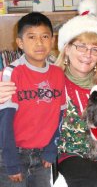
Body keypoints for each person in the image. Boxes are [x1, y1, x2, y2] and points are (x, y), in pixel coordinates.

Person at [0, 0, 97, 187]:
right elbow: (22, 105)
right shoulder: (52, 81)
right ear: (67, 48)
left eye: (94, 49)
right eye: (81, 46)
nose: (87, 54)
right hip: (74, 154)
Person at [0, 12, 66, 187]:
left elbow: (60, 115)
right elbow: (5, 120)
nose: (39, 43)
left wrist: (52, 149)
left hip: (42, 156)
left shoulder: (58, 74)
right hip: (12, 155)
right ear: (20, 43)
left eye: (45, 36)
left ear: (52, 41)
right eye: (31, 37)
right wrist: (11, 161)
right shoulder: (12, 72)